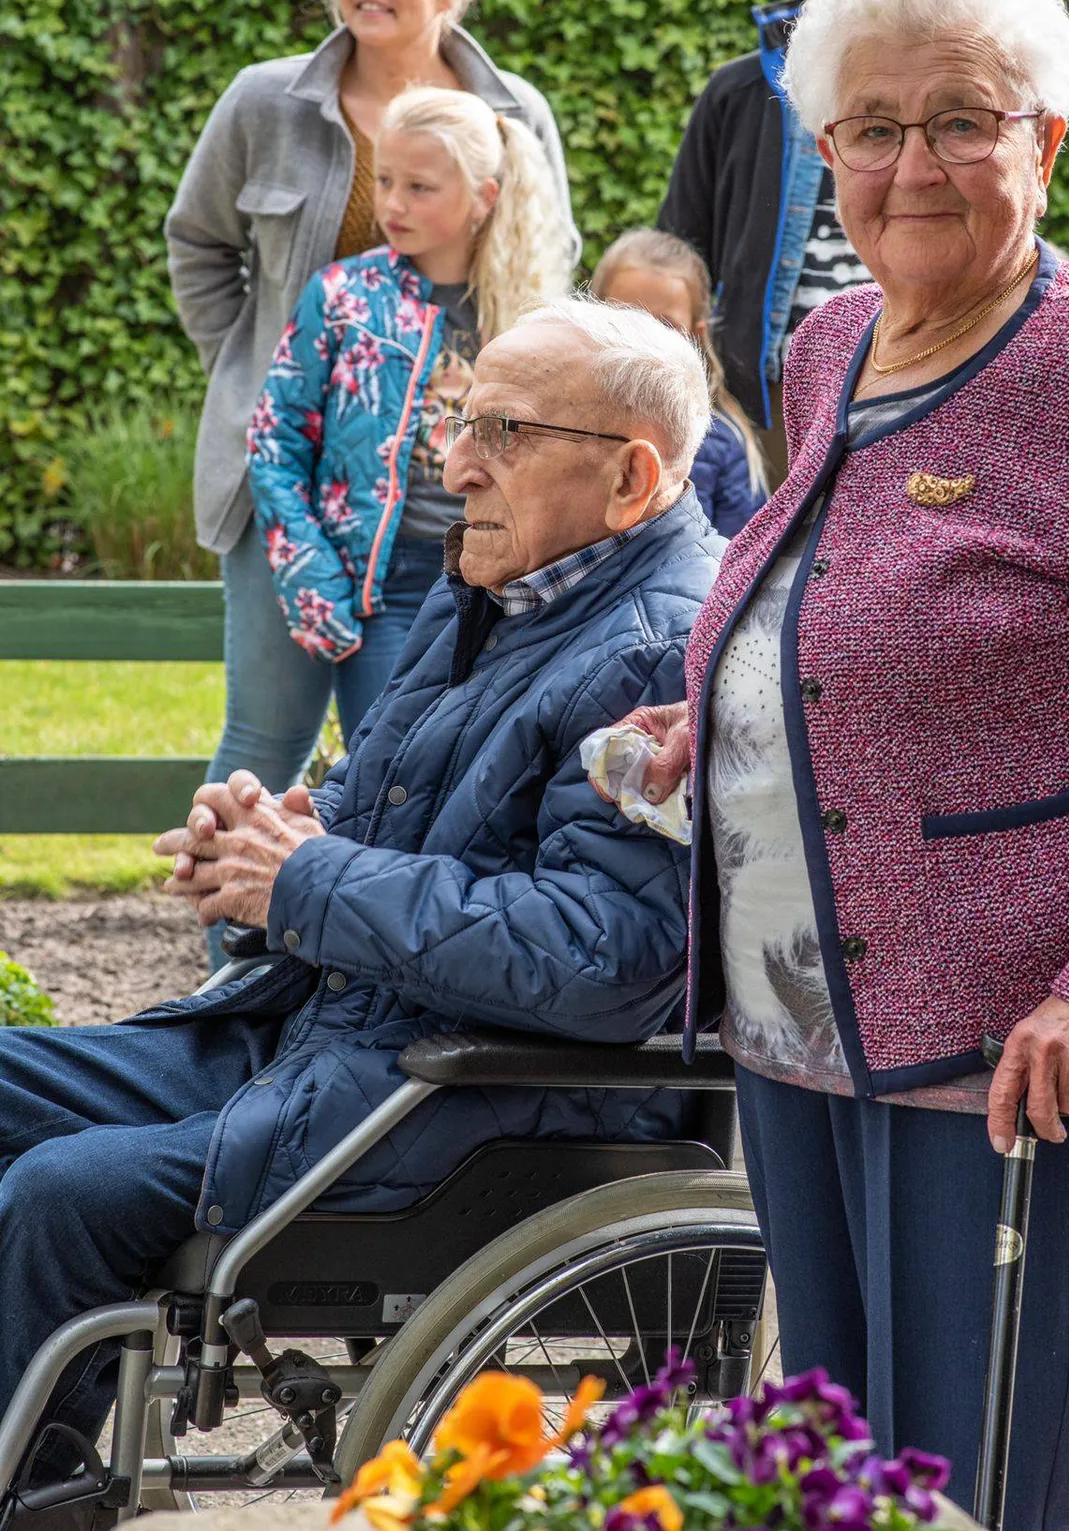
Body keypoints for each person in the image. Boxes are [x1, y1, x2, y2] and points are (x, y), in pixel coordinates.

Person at [597, 0, 1069, 1528]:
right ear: (827, 151)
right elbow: (845, 595)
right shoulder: (829, 344)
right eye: (877, 126)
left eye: (964, 119)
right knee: (842, 1469)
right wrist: (730, 708)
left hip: (998, 1045)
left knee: (973, 1476)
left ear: (1043, 140)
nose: (917, 163)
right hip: (794, 1018)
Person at [0, 299, 722, 1485]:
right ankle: (50, 1464)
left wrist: (309, 879)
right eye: (458, 414)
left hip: (463, 1100)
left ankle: (41, 1491)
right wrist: (269, 839)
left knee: (61, 1191)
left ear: (630, 478)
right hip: (326, 1034)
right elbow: (377, 802)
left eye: (504, 427)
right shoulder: (495, 588)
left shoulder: (652, 650)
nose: (454, 458)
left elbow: (604, 952)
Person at [166, 0, 578, 818]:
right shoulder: (265, 102)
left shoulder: (513, 114)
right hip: (290, 480)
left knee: (406, 757)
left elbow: (547, 268)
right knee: (264, 736)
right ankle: (236, 946)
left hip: (437, 510)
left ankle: (345, 939)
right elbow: (198, 244)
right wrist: (251, 367)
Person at [246, 85, 572, 735]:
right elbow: (274, 439)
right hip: (382, 588)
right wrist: (312, 574)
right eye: (386, 179)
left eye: (419, 187)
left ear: (484, 197)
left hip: (507, 585)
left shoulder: (538, 317)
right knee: (387, 765)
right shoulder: (343, 295)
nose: (391, 203)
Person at [658, 0, 936, 480]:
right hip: (768, 395)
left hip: (905, 383)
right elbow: (679, 244)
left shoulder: (945, 83)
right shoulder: (738, 90)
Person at [590, 229, 767, 536]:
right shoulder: (554, 419)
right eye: (625, 319)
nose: (642, 341)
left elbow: (742, 558)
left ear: (695, 335)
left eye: (664, 326)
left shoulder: (722, 443)